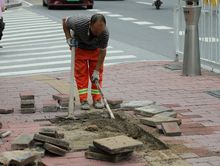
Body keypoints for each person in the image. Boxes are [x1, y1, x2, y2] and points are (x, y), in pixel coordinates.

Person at [62, 14, 109, 110]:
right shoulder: (79, 23)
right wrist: (68, 38)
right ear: (90, 25)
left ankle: (97, 99)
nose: (98, 33)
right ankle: (83, 100)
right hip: (80, 48)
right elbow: (64, 21)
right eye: (96, 31)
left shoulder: (104, 33)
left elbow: (102, 52)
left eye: (100, 31)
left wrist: (96, 71)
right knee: (81, 74)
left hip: (96, 50)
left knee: (97, 76)